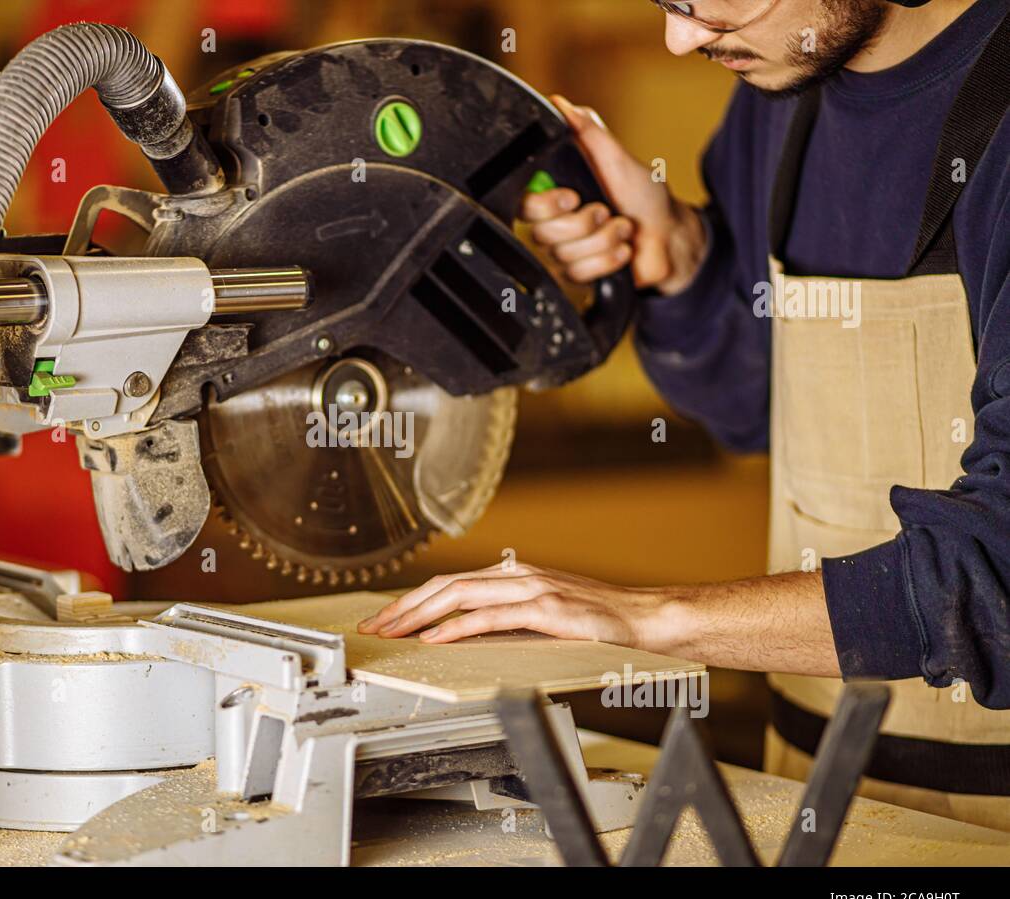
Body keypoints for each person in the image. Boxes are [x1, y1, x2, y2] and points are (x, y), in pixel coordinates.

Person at [358, 0, 1010, 829]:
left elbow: (1002, 566)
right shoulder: (786, 83)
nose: (681, 38)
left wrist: (648, 617)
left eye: (710, 2)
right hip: (824, 778)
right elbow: (760, 410)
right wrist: (677, 258)